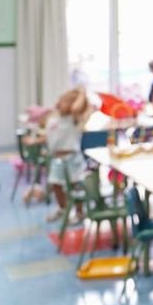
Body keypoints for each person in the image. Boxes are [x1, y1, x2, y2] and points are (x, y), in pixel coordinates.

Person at [46, 87, 91, 224]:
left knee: (75, 186)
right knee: (56, 185)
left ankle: (79, 212)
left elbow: (76, 108)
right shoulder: (56, 118)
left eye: (64, 101)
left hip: (72, 159)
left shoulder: (73, 118)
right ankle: (62, 209)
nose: (59, 102)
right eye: (60, 100)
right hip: (56, 158)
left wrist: (82, 93)